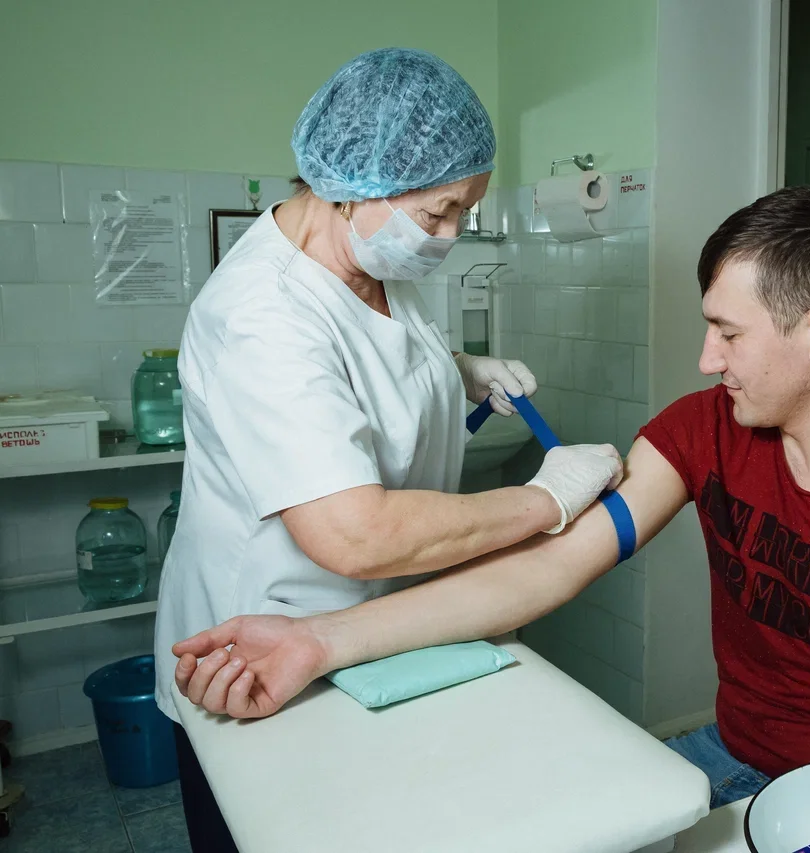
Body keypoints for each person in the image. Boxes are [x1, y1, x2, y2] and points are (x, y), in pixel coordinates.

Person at [171, 186, 810, 811]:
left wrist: (781, 822)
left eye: (729, 332)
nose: (707, 359)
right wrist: (314, 641)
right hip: (727, 755)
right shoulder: (705, 430)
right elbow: (545, 569)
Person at [154, 48, 623, 852]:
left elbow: (364, 362)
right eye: (439, 212)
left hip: (375, 630)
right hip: (266, 649)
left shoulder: (370, 257)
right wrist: (546, 499)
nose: (450, 235)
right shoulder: (261, 314)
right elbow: (355, 533)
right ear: (354, 183)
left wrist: (454, 371)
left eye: (463, 212)